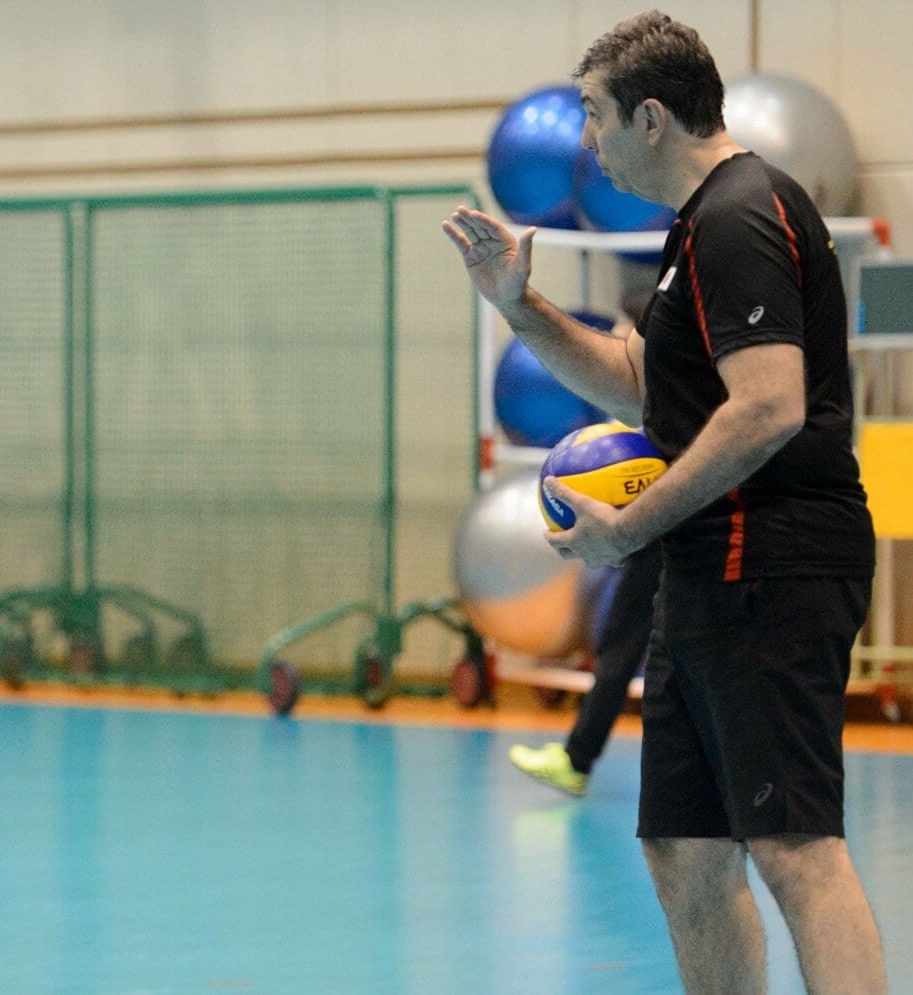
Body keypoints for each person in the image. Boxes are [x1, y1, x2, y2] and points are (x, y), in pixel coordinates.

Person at [442, 11, 884, 993]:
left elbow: (767, 407)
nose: (587, 144)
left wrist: (630, 527)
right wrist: (522, 305)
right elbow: (641, 382)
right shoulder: (695, 232)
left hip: (767, 562)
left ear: (651, 117)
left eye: (595, 118)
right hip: (705, 570)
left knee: (795, 847)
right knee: (686, 848)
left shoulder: (740, 214)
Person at [508, 542, 662, 795]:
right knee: (620, 647)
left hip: (663, 541)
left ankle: (576, 760)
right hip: (659, 543)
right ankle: (576, 759)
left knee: (620, 649)